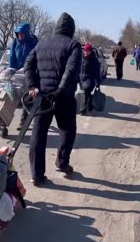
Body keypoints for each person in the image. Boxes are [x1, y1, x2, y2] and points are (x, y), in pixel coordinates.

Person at [25, 12, 81, 186]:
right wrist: (60, 90)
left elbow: (28, 65)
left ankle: (37, 174)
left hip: (42, 97)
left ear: (57, 27)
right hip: (63, 97)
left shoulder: (42, 43)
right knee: (67, 130)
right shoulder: (74, 45)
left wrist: (33, 86)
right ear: (71, 29)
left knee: (38, 134)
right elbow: (70, 72)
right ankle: (62, 163)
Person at [9, 22, 38, 130]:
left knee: (27, 97)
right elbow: (12, 56)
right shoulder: (15, 43)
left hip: (30, 72)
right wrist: (11, 70)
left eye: (22, 34)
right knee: (16, 95)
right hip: (18, 72)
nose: (20, 36)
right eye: (18, 34)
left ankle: (23, 120)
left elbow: (37, 57)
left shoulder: (32, 42)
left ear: (26, 33)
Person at [80, 43, 100, 115]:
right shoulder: (80, 58)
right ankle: (90, 105)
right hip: (82, 79)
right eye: (85, 51)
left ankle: (83, 110)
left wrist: (97, 82)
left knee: (86, 93)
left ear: (91, 51)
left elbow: (97, 72)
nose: (86, 52)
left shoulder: (94, 60)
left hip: (90, 80)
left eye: (87, 51)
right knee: (88, 94)